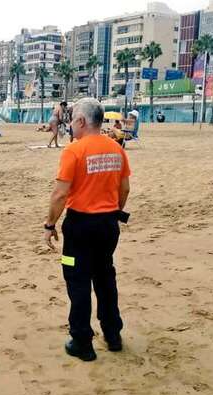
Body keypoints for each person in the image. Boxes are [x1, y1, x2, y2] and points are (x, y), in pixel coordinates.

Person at [43, 98, 131, 362]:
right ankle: (112, 333)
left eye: (72, 120)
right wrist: (114, 211)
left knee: (76, 278)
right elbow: (124, 188)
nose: (70, 125)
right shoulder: (116, 148)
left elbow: (60, 194)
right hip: (107, 225)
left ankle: (82, 340)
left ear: (81, 121)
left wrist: (50, 225)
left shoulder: (74, 150)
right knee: (105, 275)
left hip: (79, 226)